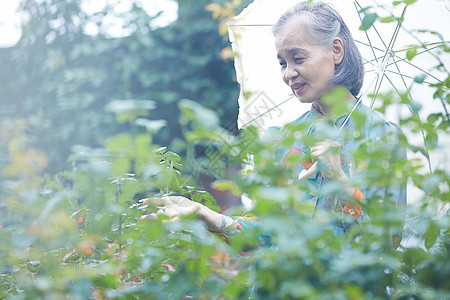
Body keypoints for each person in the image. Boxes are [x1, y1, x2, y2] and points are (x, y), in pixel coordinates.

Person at [140, 1, 406, 246]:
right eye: (282, 62)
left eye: (298, 58)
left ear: (336, 50)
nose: (288, 73)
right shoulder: (282, 140)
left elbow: (389, 242)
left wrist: (340, 179)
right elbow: (262, 234)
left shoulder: (382, 138)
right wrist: (206, 215)